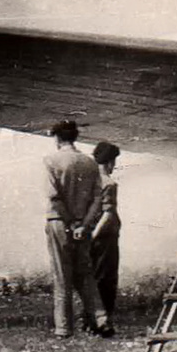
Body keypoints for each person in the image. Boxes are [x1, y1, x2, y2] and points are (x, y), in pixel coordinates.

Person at [43, 120, 112, 338]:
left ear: (57, 138)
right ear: (74, 137)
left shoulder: (50, 160)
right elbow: (97, 199)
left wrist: (71, 223)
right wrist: (83, 225)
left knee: (62, 277)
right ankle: (102, 321)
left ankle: (64, 328)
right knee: (86, 276)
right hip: (83, 227)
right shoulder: (90, 163)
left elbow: (54, 197)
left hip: (59, 223)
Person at [90, 141, 121, 322]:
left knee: (93, 276)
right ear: (109, 162)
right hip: (106, 237)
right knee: (107, 278)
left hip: (90, 233)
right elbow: (108, 214)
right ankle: (105, 317)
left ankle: (92, 316)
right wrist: (96, 235)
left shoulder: (88, 182)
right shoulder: (109, 183)